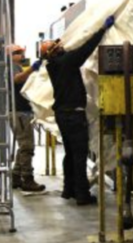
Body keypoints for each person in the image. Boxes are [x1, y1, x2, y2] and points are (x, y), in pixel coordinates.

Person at [43, 16, 113, 205]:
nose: (61, 46)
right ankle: (82, 194)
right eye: (57, 46)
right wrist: (102, 30)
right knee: (79, 154)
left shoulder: (53, 66)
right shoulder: (66, 62)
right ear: (54, 52)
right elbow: (85, 49)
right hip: (73, 115)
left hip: (63, 115)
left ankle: (69, 189)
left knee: (70, 153)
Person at [7, 45, 45, 192]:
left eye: (22, 53)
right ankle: (27, 179)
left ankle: (16, 176)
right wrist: (32, 69)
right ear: (10, 55)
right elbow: (16, 80)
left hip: (21, 111)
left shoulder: (15, 66)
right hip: (19, 112)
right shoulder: (11, 67)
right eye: (18, 53)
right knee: (27, 146)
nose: (22, 56)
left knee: (23, 145)